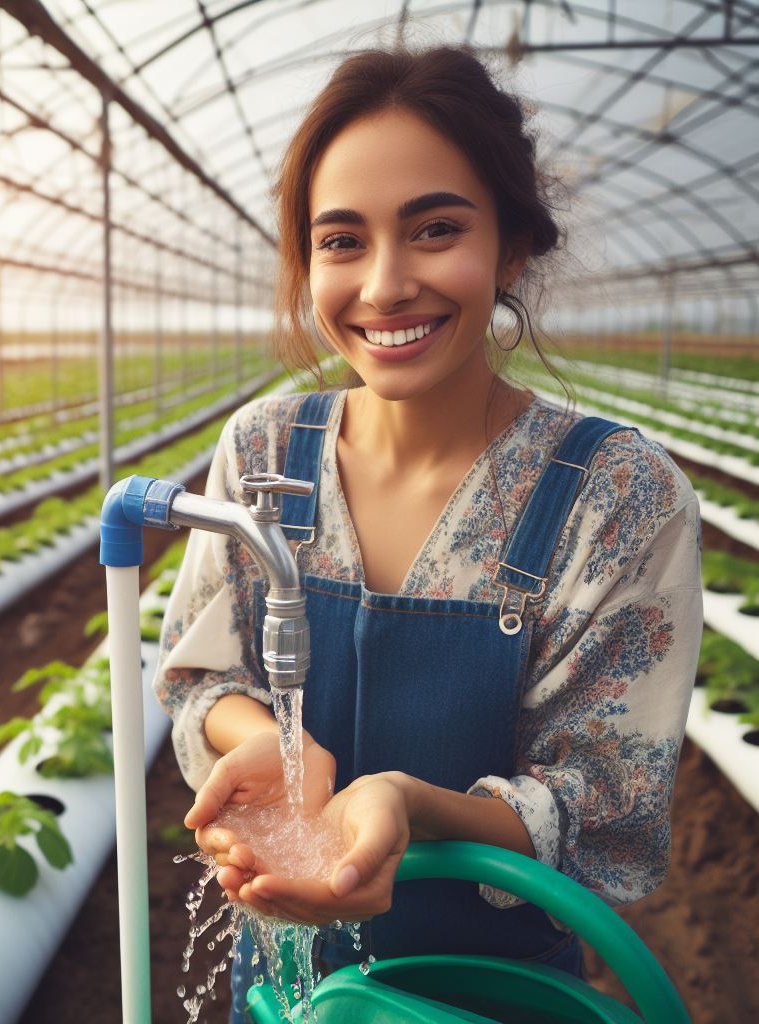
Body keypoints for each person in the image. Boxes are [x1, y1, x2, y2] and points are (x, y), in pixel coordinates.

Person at [152, 45, 703, 1021]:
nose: (385, 284)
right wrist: (268, 749)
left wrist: (408, 809)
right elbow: (206, 671)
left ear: (513, 246)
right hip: (285, 980)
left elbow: (598, 796)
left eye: (434, 228)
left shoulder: (616, 494)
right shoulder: (267, 452)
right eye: (341, 241)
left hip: (492, 988)